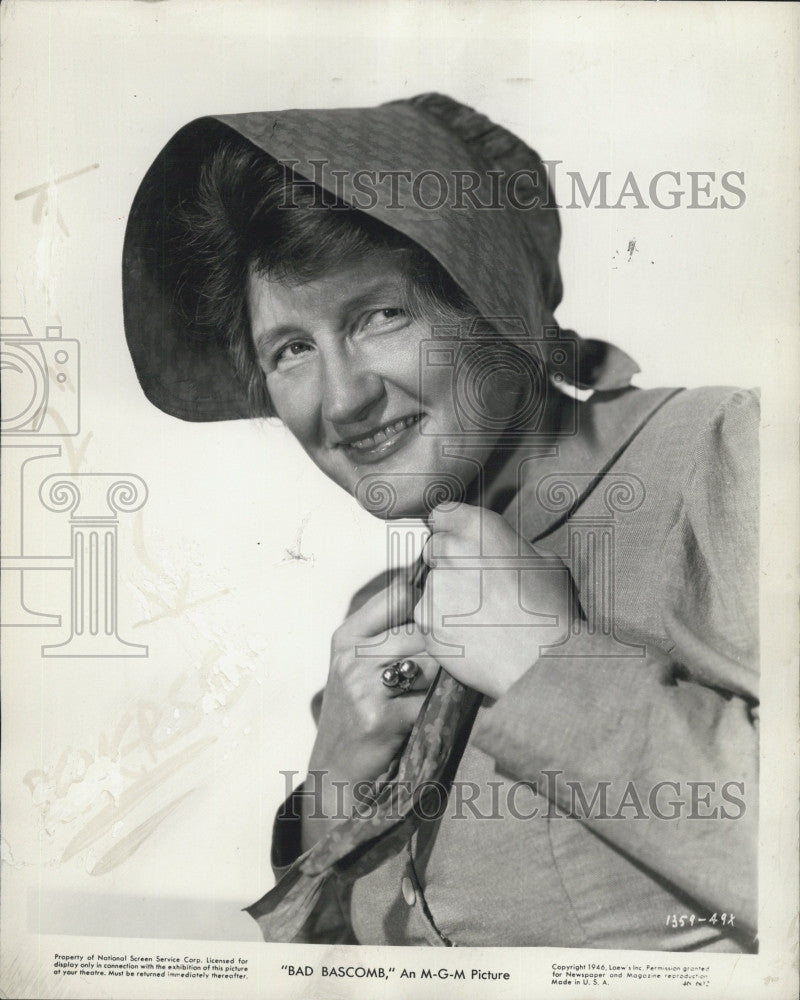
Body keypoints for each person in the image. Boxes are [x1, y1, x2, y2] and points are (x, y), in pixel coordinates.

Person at [122, 93, 758, 950]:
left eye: (380, 315)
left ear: (489, 298)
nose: (341, 400)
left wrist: (548, 665)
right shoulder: (386, 617)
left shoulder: (720, 452)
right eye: (291, 350)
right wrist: (332, 792)